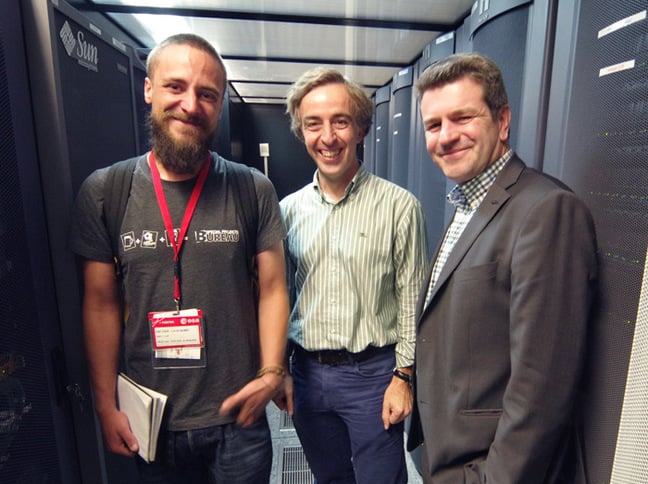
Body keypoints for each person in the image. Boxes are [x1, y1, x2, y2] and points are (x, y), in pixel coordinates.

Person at [69, 33, 289, 483]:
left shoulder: (251, 189)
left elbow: (272, 289)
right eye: (175, 87)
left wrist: (271, 373)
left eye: (207, 94)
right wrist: (105, 404)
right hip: (151, 421)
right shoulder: (106, 192)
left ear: (220, 104)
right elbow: (99, 303)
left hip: (238, 419)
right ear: (148, 89)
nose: (191, 105)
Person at [407, 52, 598, 483]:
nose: (446, 136)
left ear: (502, 120)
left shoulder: (546, 210)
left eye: (462, 118)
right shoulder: (466, 203)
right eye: (433, 125)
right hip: (448, 457)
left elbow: (542, 387)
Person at [277, 67, 428, 484]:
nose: (327, 137)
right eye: (314, 124)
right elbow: (280, 297)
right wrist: (279, 368)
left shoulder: (401, 207)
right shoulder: (288, 211)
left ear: (361, 129)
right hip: (307, 376)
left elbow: (413, 299)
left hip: (375, 378)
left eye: (340, 122)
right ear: (302, 132)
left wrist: (404, 377)